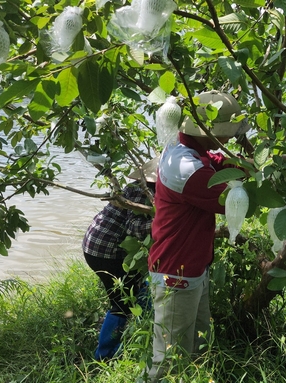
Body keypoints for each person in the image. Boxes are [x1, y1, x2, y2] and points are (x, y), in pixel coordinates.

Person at [143, 90, 250, 381]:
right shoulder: (187, 170)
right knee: (169, 358)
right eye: (225, 133)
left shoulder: (184, 150)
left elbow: (216, 160)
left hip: (189, 267)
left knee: (197, 344)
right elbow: (234, 201)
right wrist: (254, 169)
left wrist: (236, 161)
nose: (228, 140)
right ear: (207, 131)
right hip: (177, 272)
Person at [82, 157, 158, 361]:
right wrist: (166, 222)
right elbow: (135, 227)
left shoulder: (135, 187)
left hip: (94, 245)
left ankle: (149, 329)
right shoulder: (146, 192)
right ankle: (104, 356)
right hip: (106, 251)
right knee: (121, 304)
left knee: (137, 287)